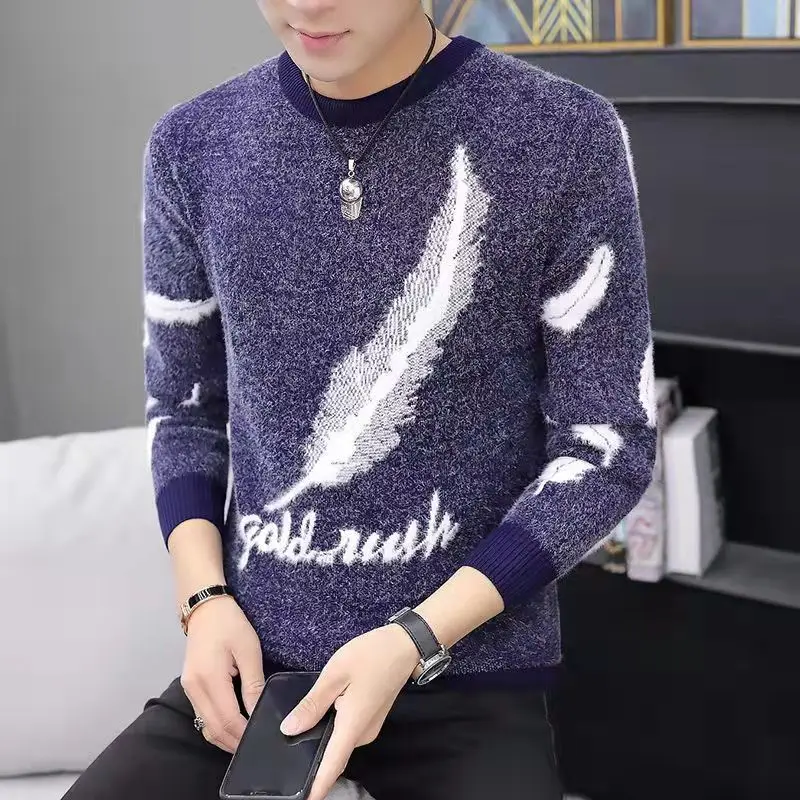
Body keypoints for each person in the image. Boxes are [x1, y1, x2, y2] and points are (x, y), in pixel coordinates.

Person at [64, 1, 656, 798]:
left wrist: (414, 638)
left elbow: (607, 445)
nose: (308, 5)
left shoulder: (563, 135)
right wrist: (203, 602)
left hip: (465, 670)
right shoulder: (191, 145)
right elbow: (185, 410)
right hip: (260, 671)